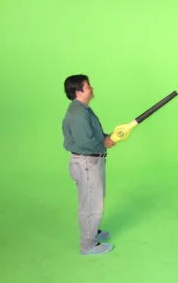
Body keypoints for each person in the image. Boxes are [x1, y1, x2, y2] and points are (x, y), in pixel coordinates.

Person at [62, 74, 116, 255]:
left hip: (91, 161)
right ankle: (88, 245)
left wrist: (107, 137)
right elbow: (85, 141)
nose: (92, 88)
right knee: (91, 204)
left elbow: (92, 134)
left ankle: (93, 231)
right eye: (88, 86)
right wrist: (105, 143)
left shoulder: (82, 109)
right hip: (86, 163)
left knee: (94, 199)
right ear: (78, 91)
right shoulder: (78, 113)